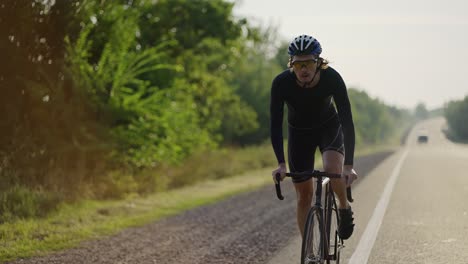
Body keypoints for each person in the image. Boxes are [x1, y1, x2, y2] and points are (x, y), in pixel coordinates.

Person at [270, 34, 358, 240]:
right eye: (298, 64)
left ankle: (344, 207)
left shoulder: (332, 78)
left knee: (331, 168)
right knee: (304, 196)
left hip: (328, 127)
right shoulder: (282, 83)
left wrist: (349, 166)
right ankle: (309, 252)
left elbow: (347, 121)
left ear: (319, 62)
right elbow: (275, 124)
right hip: (299, 133)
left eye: (308, 63)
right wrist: (281, 164)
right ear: (291, 64)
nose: (303, 69)